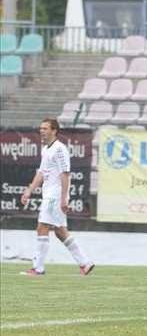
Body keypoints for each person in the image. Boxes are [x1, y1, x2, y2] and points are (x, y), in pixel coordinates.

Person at [20, 118, 95, 276]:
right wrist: (29, 191)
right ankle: (85, 263)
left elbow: (65, 174)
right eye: (40, 128)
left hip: (55, 195)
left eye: (45, 128)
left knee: (42, 228)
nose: (41, 131)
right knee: (61, 232)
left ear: (54, 131)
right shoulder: (46, 149)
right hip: (50, 194)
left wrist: (63, 199)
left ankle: (38, 268)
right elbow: (41, 173)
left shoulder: (60, 149)